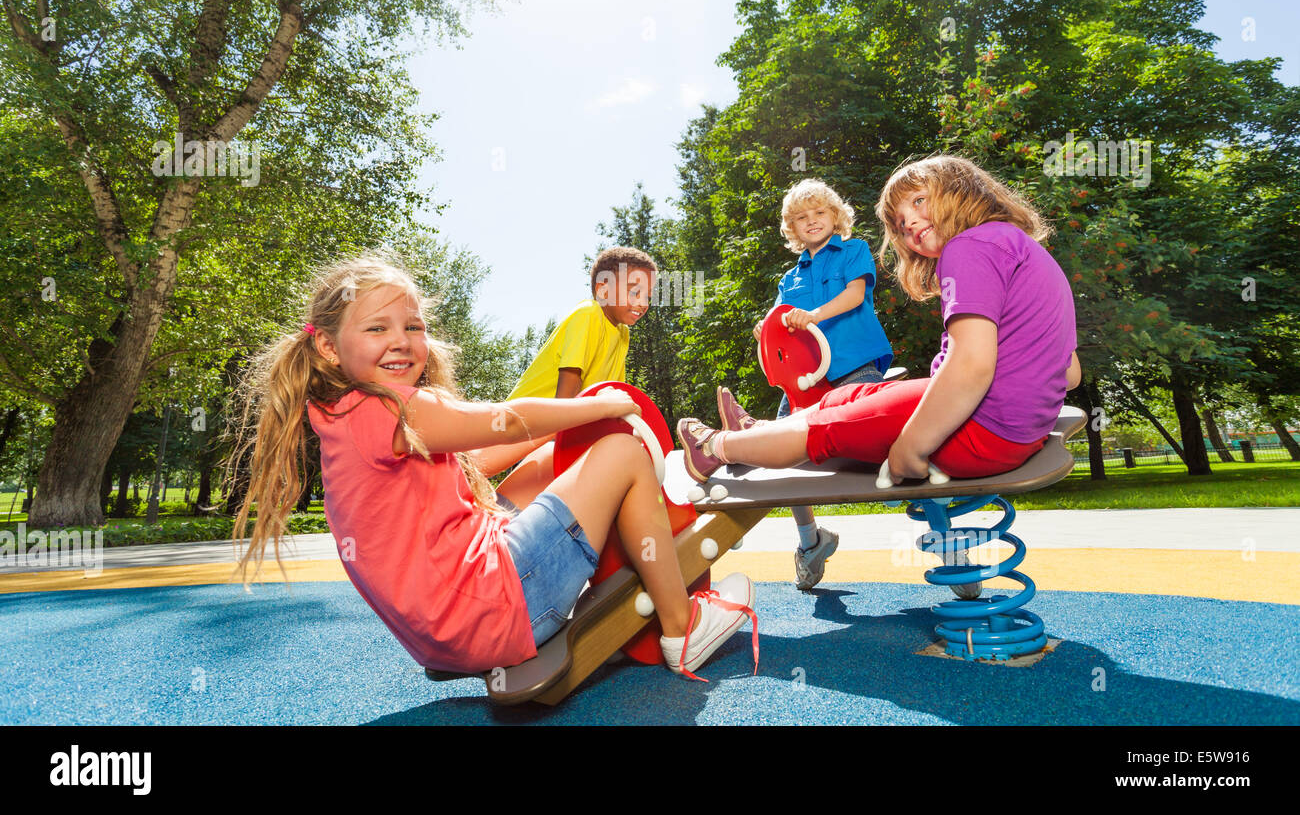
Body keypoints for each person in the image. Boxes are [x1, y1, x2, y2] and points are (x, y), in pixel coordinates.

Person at [227, 251, 756, 680]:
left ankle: (608, 565)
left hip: (445, 636)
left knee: (551, 457)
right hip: (496, 611)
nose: (401, 341)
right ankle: (682, 628)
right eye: (377, 329)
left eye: (412, 326)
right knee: (621, 451)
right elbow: (507, 419)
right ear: (325, 346)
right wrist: (606, 407)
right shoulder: (391, 406)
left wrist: (567, 434)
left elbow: (478, 460)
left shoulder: (343, 416)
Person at [679, 156, 1081, 580]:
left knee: (828, 427)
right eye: (901, 223)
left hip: (982, 425)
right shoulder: (1021, 247)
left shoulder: (967, 247)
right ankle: (756, 431)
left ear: (964, 190)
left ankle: (714, 448)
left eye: (920, 202)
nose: (910, 225)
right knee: (848, 399)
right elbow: (1069, 372)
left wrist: (912, 446)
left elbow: (972, 366)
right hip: (1016, 429)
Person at [718, 178, 893, 591]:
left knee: (888, 447)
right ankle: (809, 541)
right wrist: (767, 327)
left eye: (819, 213)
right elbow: (779, 326)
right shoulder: (790, 278)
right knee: (780, 458)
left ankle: (946, 539)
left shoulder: (853, 251)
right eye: (801, 217)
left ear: (836, 217)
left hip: (854, 369)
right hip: (804, 382)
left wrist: (813, 314)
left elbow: (854, 296)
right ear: (791, 229)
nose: (811, 221)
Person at [495, 246, 657, 512]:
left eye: (648, 296)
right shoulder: (588, 314)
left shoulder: (622, 334)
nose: (642, 303)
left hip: (566, 423)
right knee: (533, 490)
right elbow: (566, 395)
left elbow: (614, 395)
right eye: (634, 292)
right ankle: (498, 520)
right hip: (533, 423)